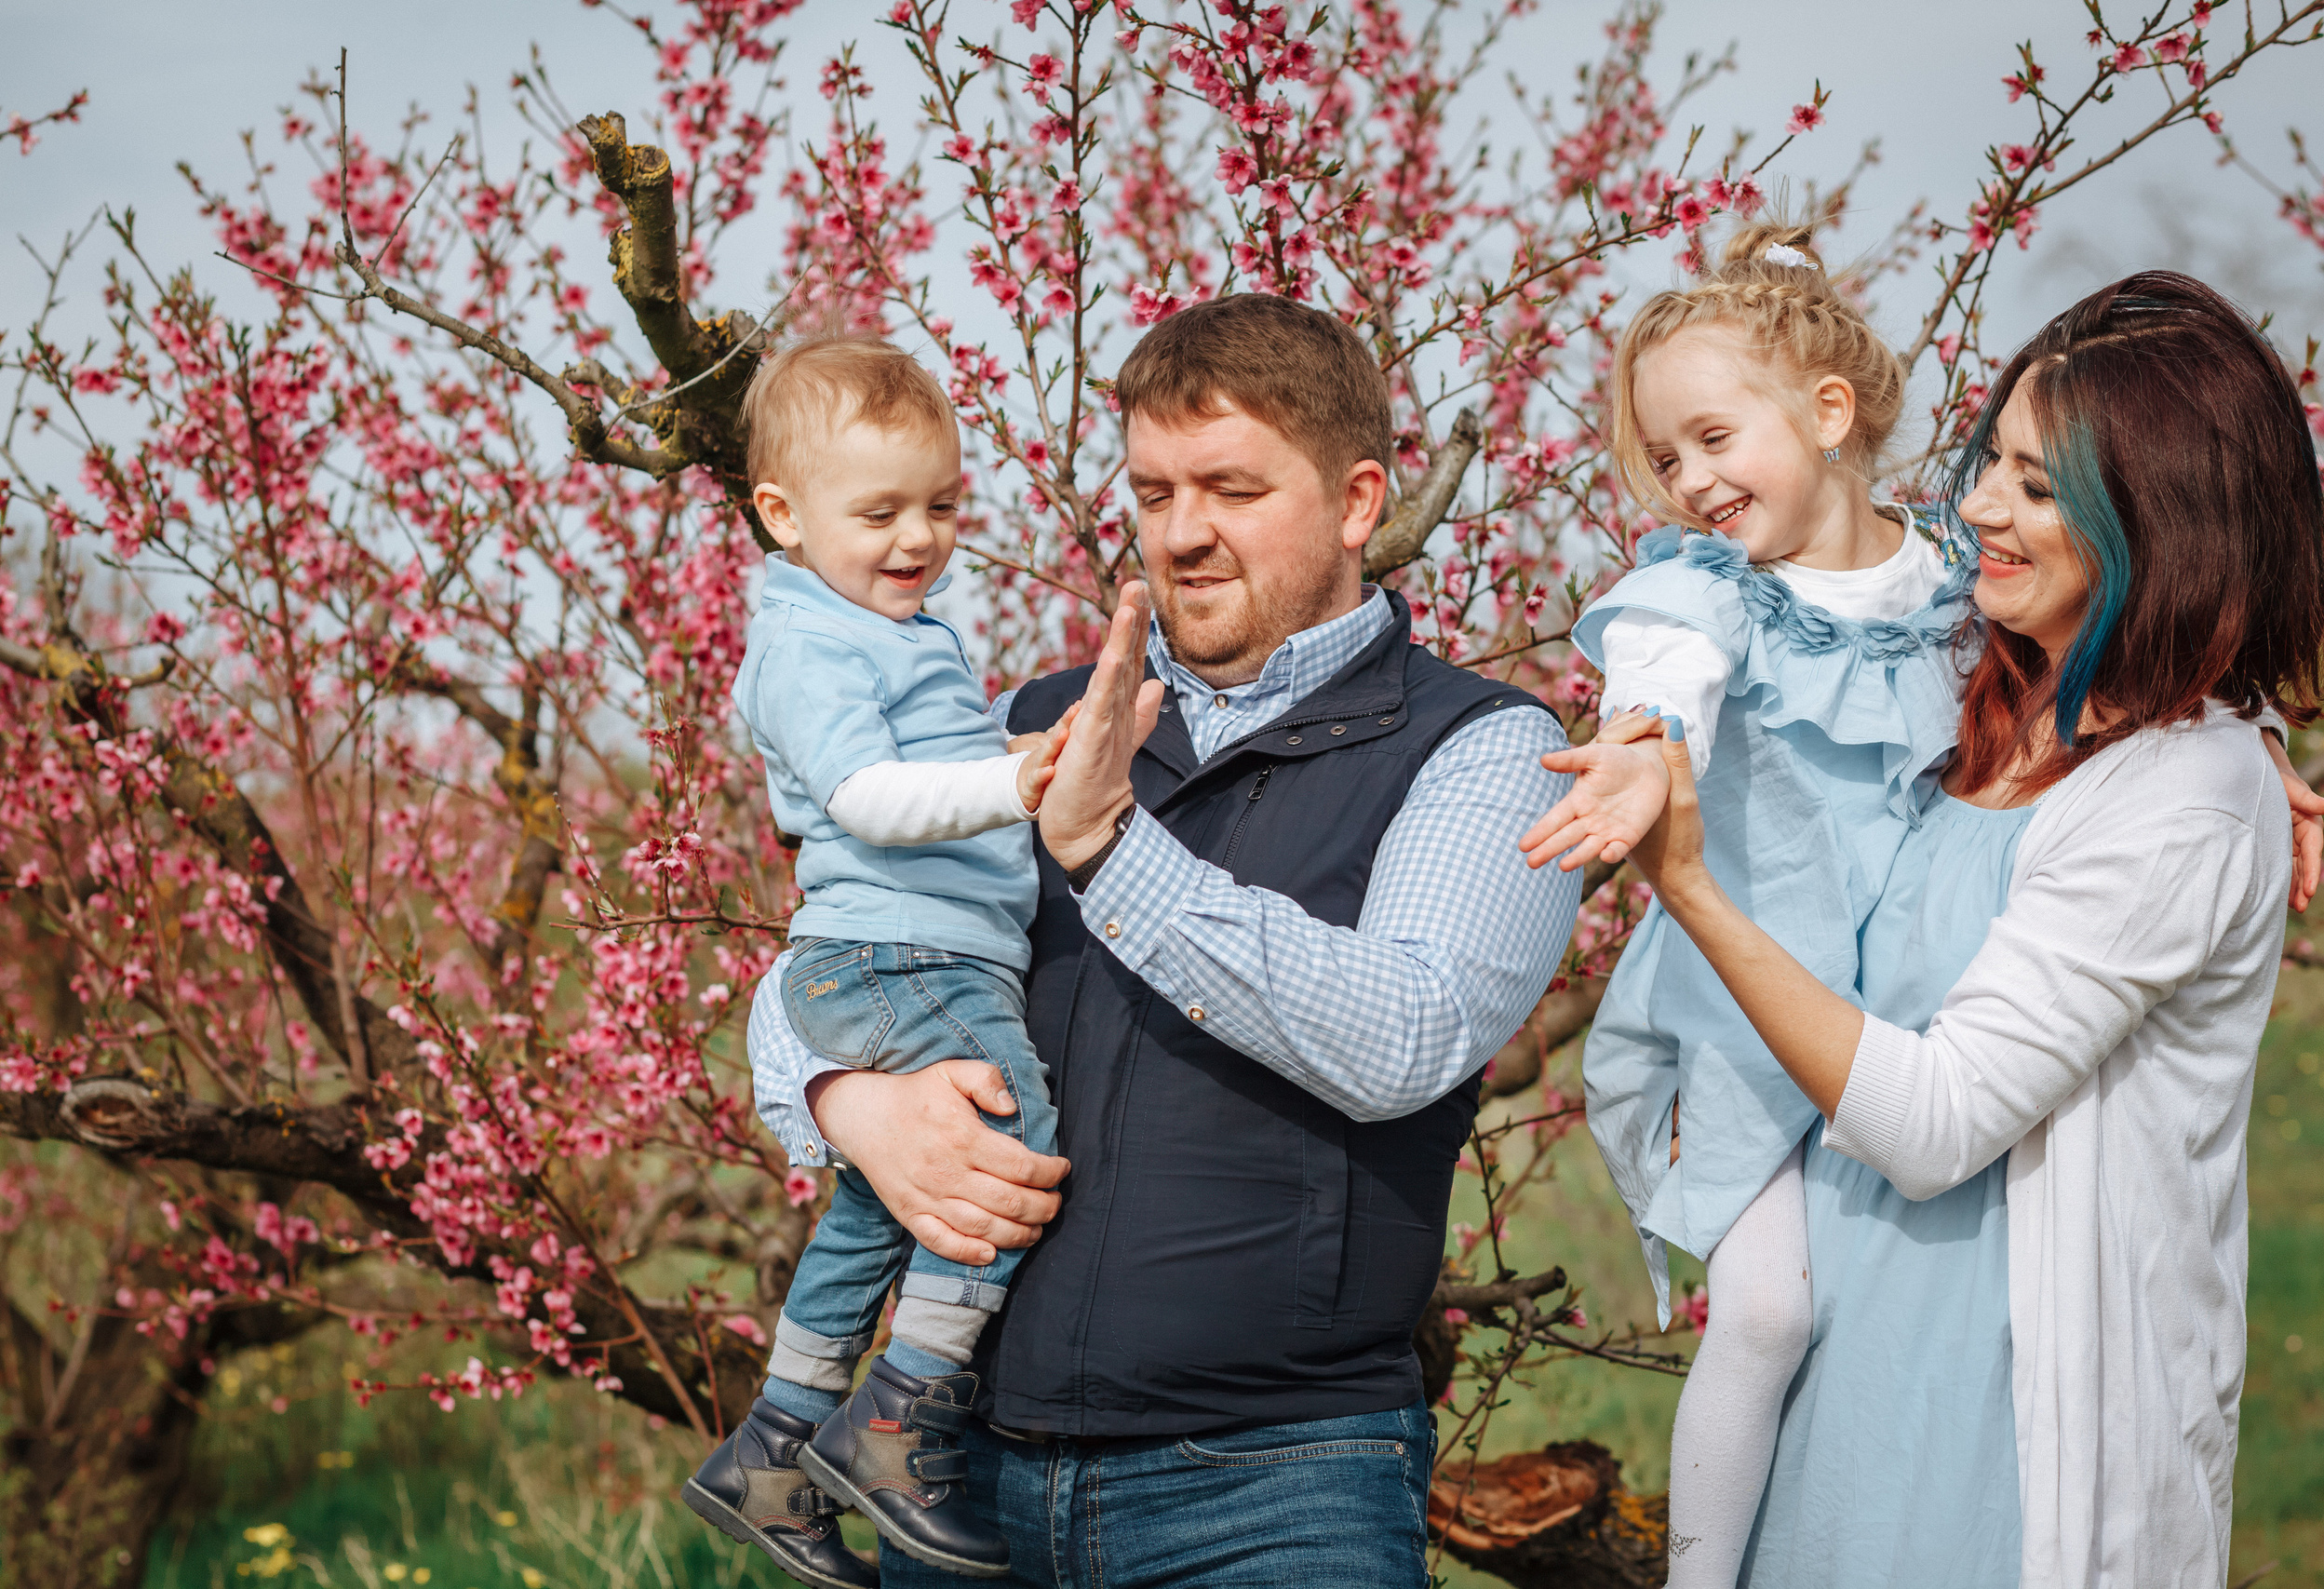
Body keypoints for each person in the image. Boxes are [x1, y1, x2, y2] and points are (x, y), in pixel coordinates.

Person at [746, 292, 1584, 1586]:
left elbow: (1406, 1037)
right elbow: (840, 947)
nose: (1182, 532)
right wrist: (844, 1099)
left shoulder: (1482, 749)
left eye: (1232, 489)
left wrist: (1106, 848)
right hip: (962, 1484)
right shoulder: (1039, 724)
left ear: (1358, 502)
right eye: (1153, 492)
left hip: (1276, 1491)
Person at [1607, 272, 2324, 1585]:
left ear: (2163, 522)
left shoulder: (2184, 790)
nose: (1983, 507)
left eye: (2038, 486)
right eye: (1991, 461)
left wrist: (1695, 893)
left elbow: (1938, 1120)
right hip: (1838, 1403)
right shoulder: (1981, 697)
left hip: (1997, 1446)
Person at [1518, 220, 1973, 1587]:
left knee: (1900, 1321)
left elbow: (2106, 663)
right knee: (1767, 1315)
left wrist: (2245, 740)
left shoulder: (1956, 582)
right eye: (1667, 458)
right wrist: (1635, 753)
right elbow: (1665, 676)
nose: (1693, 481)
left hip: (1911, 1018)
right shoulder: (1710, 592)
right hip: (1744, 1018)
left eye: (1715, 438)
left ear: (1828, 414)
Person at [683, 333, 1076, 1584]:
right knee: (1005, 1136)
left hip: (917, 959)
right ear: (782, 514)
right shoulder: (809, 644)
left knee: (887, 1199)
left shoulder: (888, 629)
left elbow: (936, 764)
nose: (919, 539)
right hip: (898, 958)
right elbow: (865, 796)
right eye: (881, 513)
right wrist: (1018, 784)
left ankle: (774, 1448)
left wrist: (1033, 752)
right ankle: (901, 1420)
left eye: (942, 507)